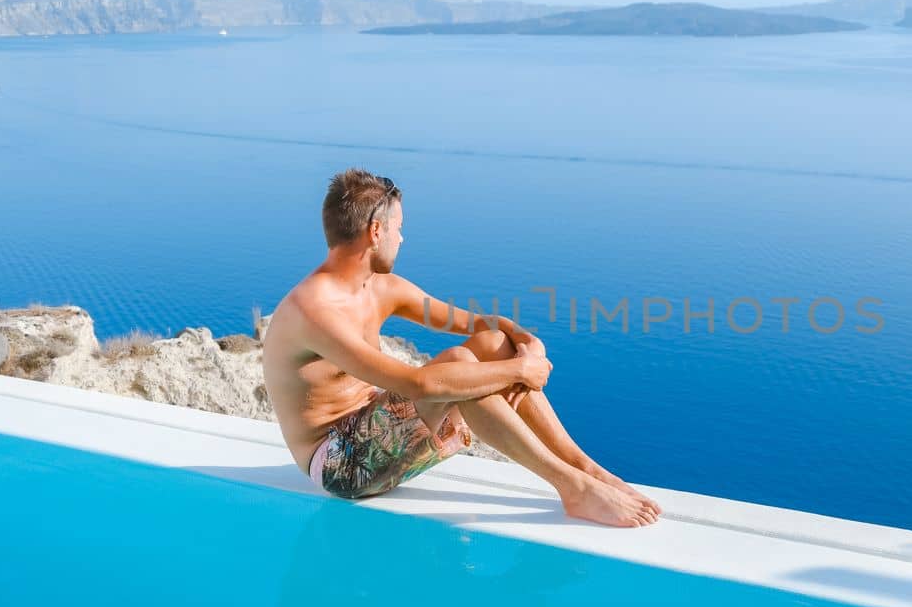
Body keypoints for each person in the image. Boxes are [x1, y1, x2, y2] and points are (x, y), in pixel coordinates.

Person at [262, 168, 660, 527]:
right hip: (342, 465)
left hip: (381, 431)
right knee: (455, 366)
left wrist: (523, 340)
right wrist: (520, 372)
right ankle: (571, 486)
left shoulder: (381, 288)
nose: (403, 237)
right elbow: (422, 386)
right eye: (398, 227)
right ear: (375, 232)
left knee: (490, 345)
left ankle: (585, 467)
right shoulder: (314, 310)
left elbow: (475, 324)